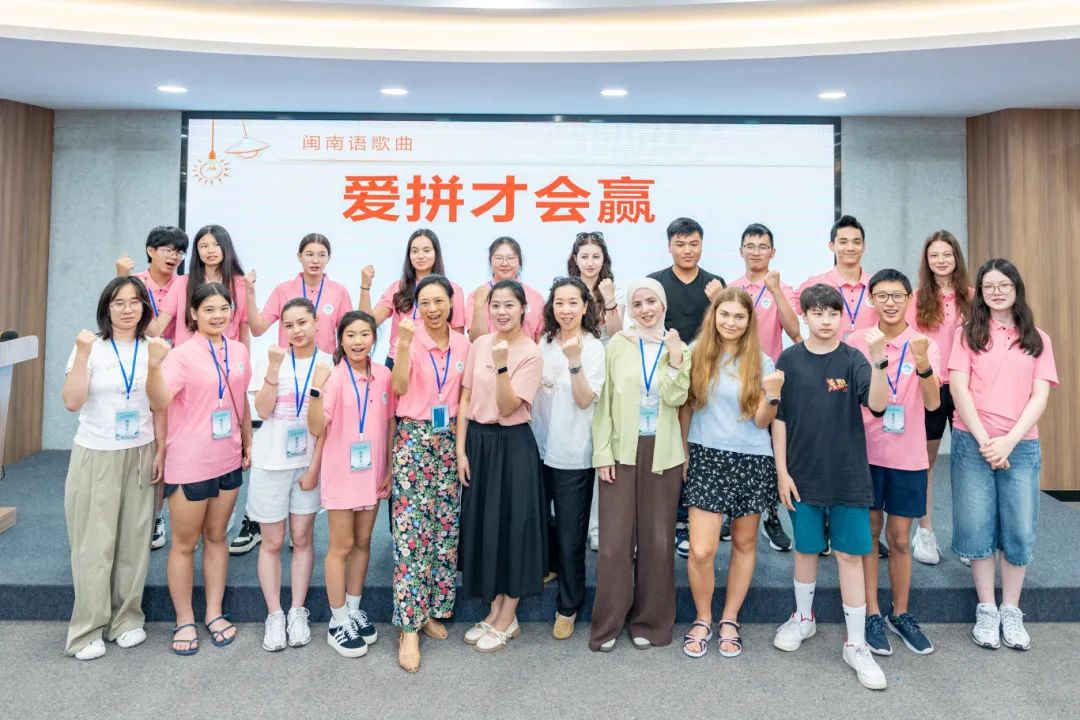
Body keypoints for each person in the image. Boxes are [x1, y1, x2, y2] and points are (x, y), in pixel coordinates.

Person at [771, 284, 889, 691]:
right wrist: (782, 472)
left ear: (842, 317)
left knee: (850, 556)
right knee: (805, 550)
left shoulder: (854, 358)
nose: (825, 320)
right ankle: (803, 618)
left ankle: (856, 644)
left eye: (833, 313)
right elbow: (780, 419)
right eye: (817, 313)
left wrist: (880, 363)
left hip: (848, 477)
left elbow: (878, 405)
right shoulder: (789, 359)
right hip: (802, 476)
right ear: (804, 315)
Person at [950, 258, 1057, 652]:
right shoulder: (967, 334)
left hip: (1020, 444)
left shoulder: (1038, 338)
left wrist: (1009, 441)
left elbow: (1040, 395)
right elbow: (958, 389)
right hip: (972, 441)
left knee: (1018, 527)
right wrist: (986, 440)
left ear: (1016, 288)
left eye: (1004, 285)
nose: (996, 292)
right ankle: (987, 609)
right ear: (980, 292)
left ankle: (1011, 609)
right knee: (977, 525)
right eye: (989, 286)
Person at [145, 282, 253, 655]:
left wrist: (247, 439)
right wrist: (154, 365)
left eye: (224, 308)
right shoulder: (181, 355)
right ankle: (184, 618)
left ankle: (214, 612)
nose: (218, 315)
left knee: (217, 536)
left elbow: (240, 399)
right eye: (209, 309)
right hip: (189, 461)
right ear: (193, 313)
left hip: (228, 458)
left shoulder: (239, 350)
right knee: (184, 543)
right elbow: (159, 400)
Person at [60, 276, 163, 660]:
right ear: (106, 308)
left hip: (140, 451)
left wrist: (161, 451)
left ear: (145, 307)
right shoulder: (91, 348)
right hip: (97, 452)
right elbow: (72, 402)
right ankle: (87, 630)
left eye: (135, 301)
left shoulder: (153, 348)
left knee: (134, 541)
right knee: (94, 544)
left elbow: (160, 405)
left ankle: (126, 619)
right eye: (118, 302)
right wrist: (81, 354)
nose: (127, 309)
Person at [680, 288, 784, 658]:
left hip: (751, 458)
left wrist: (772, 396)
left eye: (739, 316)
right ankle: (703, 617)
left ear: (749, 321)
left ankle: (729, 618)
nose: (731, 322)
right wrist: (683, 451)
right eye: (724, 314)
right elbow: (686, 407)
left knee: (744, 543)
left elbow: (762, 421)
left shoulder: (762, 362)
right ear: (714, 316)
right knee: (701, 549)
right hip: (707, 455)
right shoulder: (695, 352)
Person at [590, 279, 690, 652]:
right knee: (615, 543)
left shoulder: (678, 346)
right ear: (630, 309)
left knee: (657, 541)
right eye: (638, 303)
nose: (645, 309)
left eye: (652, 302)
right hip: (621, 451)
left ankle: (650, 621)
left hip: (662, 452)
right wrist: (602, 453)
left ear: (663, 305)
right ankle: (609, 624)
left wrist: (676, 359)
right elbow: (604, 405)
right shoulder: (618, 345)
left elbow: (677, 398)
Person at [848, 269, 941, 657]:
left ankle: (900, 614)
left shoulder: (924, 343)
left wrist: (922, 363)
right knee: (869, 533)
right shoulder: (857, 341)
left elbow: (933, 404)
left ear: (909, 299)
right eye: (882, 295)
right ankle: (871, 613)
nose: (890, 302)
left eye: (897, 295)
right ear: (871, 299)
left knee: (900, 538)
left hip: (907, 456)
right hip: (865, 454)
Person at [457, 280, 546, 653]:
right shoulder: (479, 344)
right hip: (478, 444)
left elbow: (509, 406)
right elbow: (464, 398)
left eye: (510, 305)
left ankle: (509, 616)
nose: (502, 311)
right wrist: (460, 451)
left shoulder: (530, 353)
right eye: (496, 305)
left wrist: (502, 366)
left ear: (524, 308)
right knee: (485, 525)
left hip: (512, 445)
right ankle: (494, 610)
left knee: (513, 528)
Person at [389, 275, 471, 672]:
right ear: (417, 307)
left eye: (439, 301)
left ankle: (429, 611)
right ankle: (408, 627)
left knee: (443, 529)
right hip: (414, 438)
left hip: (448, 439)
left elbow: (464, 399)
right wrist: (405, 345)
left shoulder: (463, 344)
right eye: (425, 302)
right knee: (411, 532)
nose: (433, 309)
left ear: (451, 304)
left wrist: (460, 448)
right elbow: (398, 386)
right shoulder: (406, 339)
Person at [307, 311, 396, 658]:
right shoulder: (333, 377)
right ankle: (338, 620)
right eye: (351, 335)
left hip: (372, 473)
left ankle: (354, 609)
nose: (358, 342)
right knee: (341, 546)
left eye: (365, 334)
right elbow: (316, 427)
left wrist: (389, 466)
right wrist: (316, 390)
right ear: (340, 340)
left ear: (374, 338)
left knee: (362, 543)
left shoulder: (383, 375)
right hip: (342, 473)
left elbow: (389, 423)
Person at [246, 298, 324, 652]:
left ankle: (297, 612)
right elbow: (262, 410)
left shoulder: (328, 364)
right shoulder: (272, 359)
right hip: (271, 463)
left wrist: (315, 467)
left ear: (316, 322)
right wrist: (273, 369)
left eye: (302, 322)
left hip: (306, 465)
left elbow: (327, 426)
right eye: (289, 325)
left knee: (303, 538)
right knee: (273, 541)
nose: (296, 330)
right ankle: (275, 614)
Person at [530, 277, 605, 641]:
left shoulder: (593, 348)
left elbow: (584, 399)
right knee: (540, 517)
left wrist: (574, 362)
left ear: (585, 306)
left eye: (573, 302)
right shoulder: (544, 342)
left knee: (572, 532)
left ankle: (569, 605)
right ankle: (550, 565)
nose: (566, 309)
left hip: (573, 452)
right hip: (538, 445)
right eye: (559, 302)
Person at [646, 217, 724, 559]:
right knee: (672, 447)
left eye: (693, 243)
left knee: (699, 447)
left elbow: (727, 327)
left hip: (706, 376)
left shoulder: (714, 284)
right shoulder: (656, 283)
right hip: (668, 377)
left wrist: (720, 300)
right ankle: (675, 521)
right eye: (680, 244)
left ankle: (700, 518)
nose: (687, 250)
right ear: (669, 246)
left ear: (702, 245)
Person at [115, 225, 190, 551]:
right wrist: (120, 277)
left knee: (166, 444)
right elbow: (117, 314)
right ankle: (128, 513)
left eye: (179, 251)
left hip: (174, 373)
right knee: (138, 444)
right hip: (136, 370)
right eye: (167, 249)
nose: (174, 256)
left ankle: (157, 516)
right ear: (150, 250)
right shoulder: (135, 282)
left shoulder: (185, 285)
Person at [727, 222, 800, 553]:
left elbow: (795, 331)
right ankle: (730, 511)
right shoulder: (731, 289)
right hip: (732, 379)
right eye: (750, 246)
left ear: (773, 252)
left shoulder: (783, 288)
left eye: (762, 246)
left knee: (770, 450)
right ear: (741, 250)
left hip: (769, 380)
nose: (756, 252)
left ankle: (771, 517)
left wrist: (776, 291)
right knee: (732, 446)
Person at [907, 230, 973, 566]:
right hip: (930, 388)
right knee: (926, 463)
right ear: (927, 260)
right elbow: (909, 345)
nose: (941, 260)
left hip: (966, 389)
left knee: (969, 464)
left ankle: (970, 538)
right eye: (934, 255)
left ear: (956, 257)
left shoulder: (973, 297)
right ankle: (925, 531)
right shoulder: (916, 299)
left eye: (947, 254)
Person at [566, 231, 622, 554]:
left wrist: (610, 298)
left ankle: (597, 527)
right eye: (584, 256)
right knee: (571, 449)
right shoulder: (565, 290)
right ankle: (571, 523)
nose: (590, 262)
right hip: (572, 368)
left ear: (604, 260)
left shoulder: (612, 290)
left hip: (604, 372)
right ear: (575, 259)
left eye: (596, 256)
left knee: (600, 447)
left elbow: (618, 335)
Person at [360, 228, 466, 369]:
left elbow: (457, 336)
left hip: (436, 363)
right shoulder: (397, 288)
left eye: (426, 250)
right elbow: (367, 323)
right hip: (398, 359)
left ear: (436, 253)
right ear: (409, 256)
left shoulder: (453, 289)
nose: (420, 256)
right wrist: (365, 287)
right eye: (414, 251)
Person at [245, 232, 354, 355]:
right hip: (289, 363)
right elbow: (257, 330)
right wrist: (250, 293)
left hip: (326, 363)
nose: (315, 260)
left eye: (322, 255)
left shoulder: (339, 291)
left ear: (328, 258)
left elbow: (349, 333)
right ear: (299, 256)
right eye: (309, 254)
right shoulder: (283, 290)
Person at [150, 224, 250, 348]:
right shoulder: (182, 283)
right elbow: (157, 329)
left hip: (225, 356)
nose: (210, 250)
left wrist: (245, 359)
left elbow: (244, 332)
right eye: (204, 246)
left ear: (226, 247)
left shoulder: (241, 285)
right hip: (187, 356)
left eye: (217, 244)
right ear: (197, 251)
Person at [797, 215, 878, 342]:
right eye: (843, 242)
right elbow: (790, 318)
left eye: (856, 242)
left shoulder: (877, 285)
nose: (850, 248)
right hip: (828, 354)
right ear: (832, 246)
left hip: (869, 354)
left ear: (864, 246)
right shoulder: (814, 284)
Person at [466, 237, 545, 342]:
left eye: (511, 258)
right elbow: (476, 341)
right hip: (489, 352)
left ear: (520, 262)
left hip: (526, 352)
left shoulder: (535, 298)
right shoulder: (477, 295)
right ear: (490, 261)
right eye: (498, 258)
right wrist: (479, 304)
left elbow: (541, 341)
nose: (504, 263)